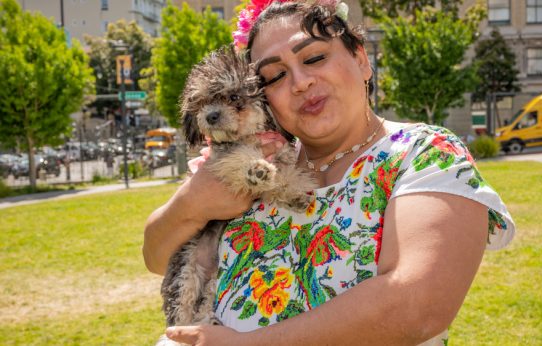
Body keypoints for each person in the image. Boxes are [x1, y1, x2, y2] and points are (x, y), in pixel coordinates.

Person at [143, 1, 515, 345]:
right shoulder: (263, 162)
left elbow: (418, 305)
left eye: (315, 57)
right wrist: (192, 203)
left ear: (361, 60)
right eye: (274, 76)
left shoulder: (423, 153)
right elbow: (158, 259)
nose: (300, 82)